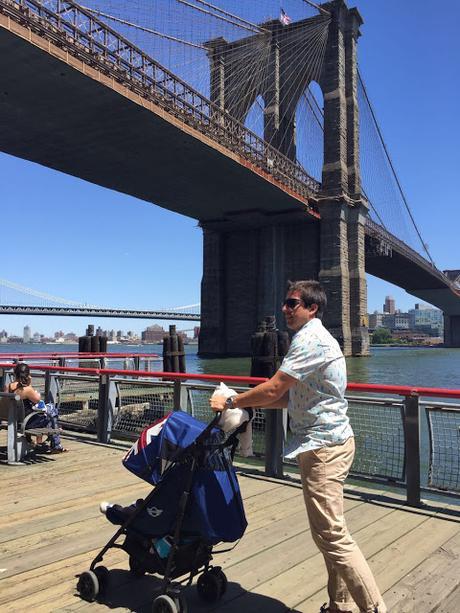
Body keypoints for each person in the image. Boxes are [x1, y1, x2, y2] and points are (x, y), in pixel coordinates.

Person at [210, 280, 386, 613]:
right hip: (327, 443)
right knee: (331, 534)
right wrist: (248, 406)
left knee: (332, 536)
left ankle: (374, 609)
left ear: (312, 307)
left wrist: (232, 400)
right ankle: (341, 606)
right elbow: (292, 398)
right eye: (286, 303)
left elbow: (275, 386)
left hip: (324, 448)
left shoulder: (309, 339)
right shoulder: (315, 339)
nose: (285, 309)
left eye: (292, 304)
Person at [5, 362, 66, 453]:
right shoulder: (27, 389)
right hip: (27, 422)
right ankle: (55, 443)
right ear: (28, 375)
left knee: (51, 418)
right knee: (52, 409)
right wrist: (29, 384)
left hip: (14, 420)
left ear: (15, 373)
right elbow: (38, 400)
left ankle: (48, 439)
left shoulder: (8, 387)